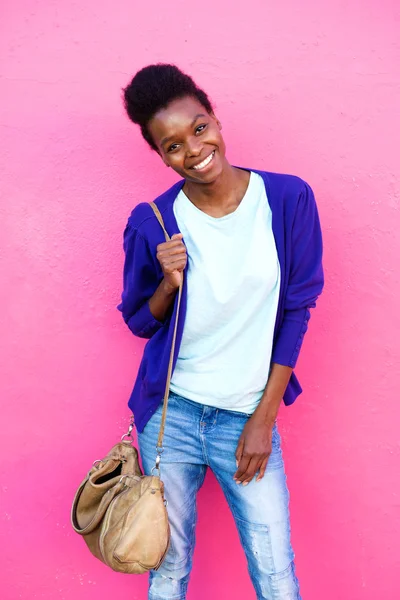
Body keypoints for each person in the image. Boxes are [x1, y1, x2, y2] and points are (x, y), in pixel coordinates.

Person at [118, 63, 324, 600]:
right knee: (167, 567)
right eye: (173, 146)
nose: (193, 149)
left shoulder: (286, 200)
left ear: (214, 119)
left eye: (199, 128)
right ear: (161, 156)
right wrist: (167, 282)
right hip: (172, 419)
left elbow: (298, 309)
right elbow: (140, 321)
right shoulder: (154, 222)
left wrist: (264, 417)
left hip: (246, 415)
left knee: (275, 571)